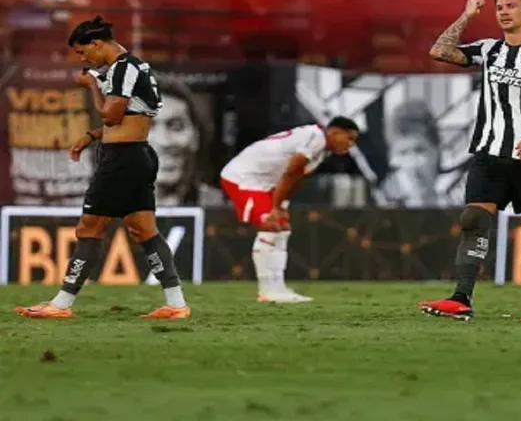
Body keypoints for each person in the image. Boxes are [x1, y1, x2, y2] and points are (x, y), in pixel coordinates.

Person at [16, 17, 189, 320]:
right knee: (143, 229)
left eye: (83, 53)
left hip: (122, 159)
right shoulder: (137, 68)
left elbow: (110, 116)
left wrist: (93, 86)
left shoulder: (122, 68)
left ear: (97, 44)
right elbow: (135, 116)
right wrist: (92, 136)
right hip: (138, 155)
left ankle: (61, 304)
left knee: (89, 228)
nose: (84, 60)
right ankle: (176, 304)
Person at [419, 0, 521, 323]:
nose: (503, 12)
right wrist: (466, 16)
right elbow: (439, 51)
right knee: (474, 220)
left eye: (512, 6)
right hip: (490, 152)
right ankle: (461, 298)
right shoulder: (489, 49)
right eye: (499, 7)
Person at [219, 117, 360, 303]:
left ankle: (278, 288)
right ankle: (267, 290)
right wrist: (276, 207)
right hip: (244, 178)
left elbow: (296, 178)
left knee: (283, 228)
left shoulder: (322, 151)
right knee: (270, 225)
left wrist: (282, 205)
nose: (350, 145)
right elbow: (290, 172)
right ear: (334, 132)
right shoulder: (315, 137)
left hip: (265, 184)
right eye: (349, 138)